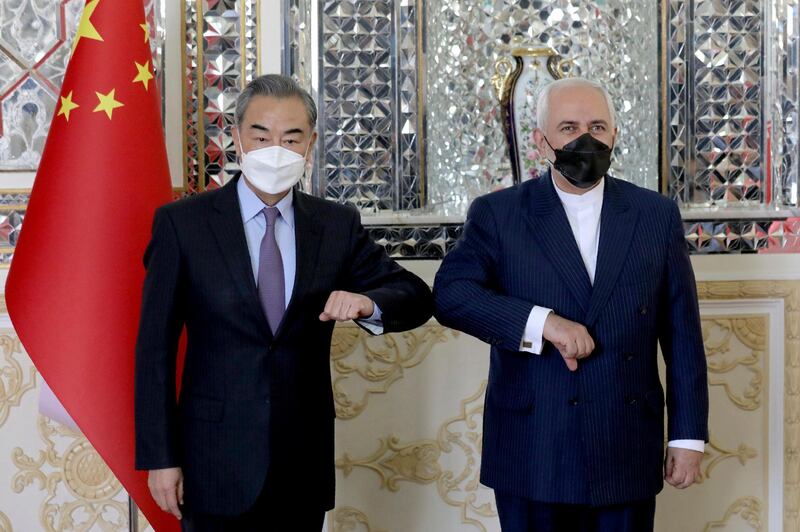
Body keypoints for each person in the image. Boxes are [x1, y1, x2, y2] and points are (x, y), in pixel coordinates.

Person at [134, 74, 434, 531]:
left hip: (301, 463)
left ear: (310, 143)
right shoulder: (184, 225)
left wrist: (366, 304)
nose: (276, 148)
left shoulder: (335, 225)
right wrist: (160, 458)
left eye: (291, 137)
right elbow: (154, 349)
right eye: (261, 135)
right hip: (212, 461)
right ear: (236, 137)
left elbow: (415, 296)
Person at [433, 77, 708, 532]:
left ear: (615, 135)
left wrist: (687, 436)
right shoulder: (499, 214)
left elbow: (683, 336)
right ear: (541, 142)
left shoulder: (654, 214)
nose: (586, 139)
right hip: (533, 445)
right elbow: (450, 295)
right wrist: (543, 323)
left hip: (624, 443)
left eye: (598, 126)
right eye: (569, 127)